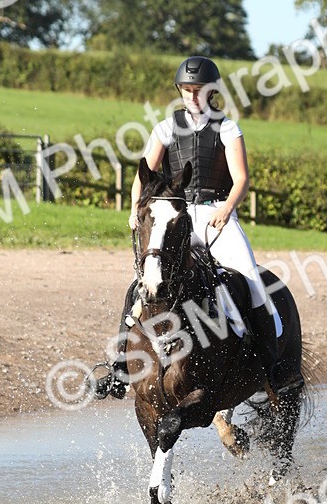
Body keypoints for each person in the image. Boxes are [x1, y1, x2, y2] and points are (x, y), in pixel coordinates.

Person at [93, 55, 281, 399]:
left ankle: (272, 362)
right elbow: (144, 175)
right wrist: (135, 208)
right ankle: (121, 367)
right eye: (186, 90)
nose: (191, 96)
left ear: (211, 92)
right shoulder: (165, 128)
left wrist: (227, 208)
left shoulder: (227, 128)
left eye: (198, 90)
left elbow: (241, 178)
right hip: (174, 216)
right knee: (140, 285)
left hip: (215, 216)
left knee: (251, 280)